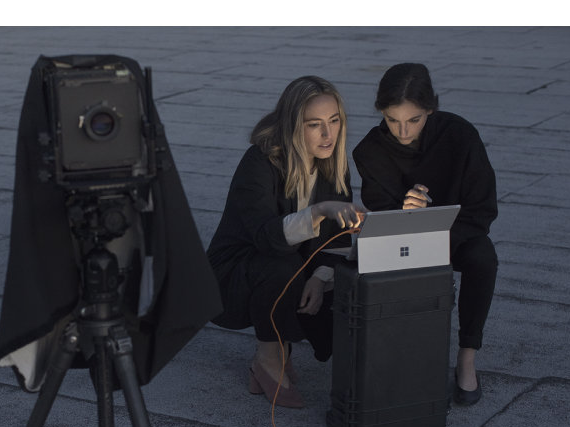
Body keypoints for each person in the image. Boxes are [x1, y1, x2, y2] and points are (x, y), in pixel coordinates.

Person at [206, 76, 364, 408]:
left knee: (350, 274)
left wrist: (321, 279)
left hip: (291, 266)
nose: (328, 134)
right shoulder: (260, 162)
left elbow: (335, 239)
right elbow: (267, 237)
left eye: (334, 121)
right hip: (232, 278)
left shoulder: (333, 163)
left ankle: (283, 343)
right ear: (294, 125)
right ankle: (268, 357)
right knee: (283, 264)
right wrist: (320, 210)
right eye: (315, 124)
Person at [352, 63, 498, 406]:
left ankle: (466, 357)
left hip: (457, 236)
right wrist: (406, 216)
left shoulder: (459, 135)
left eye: (414, 120)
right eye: (392, 120)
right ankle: (400, 357)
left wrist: (435, 227)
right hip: (401, 244)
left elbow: (482, 207)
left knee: (483, 257)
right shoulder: (370, 151)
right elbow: (382, 224)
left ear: (430, 109)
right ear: (381, 113)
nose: (403, 131)